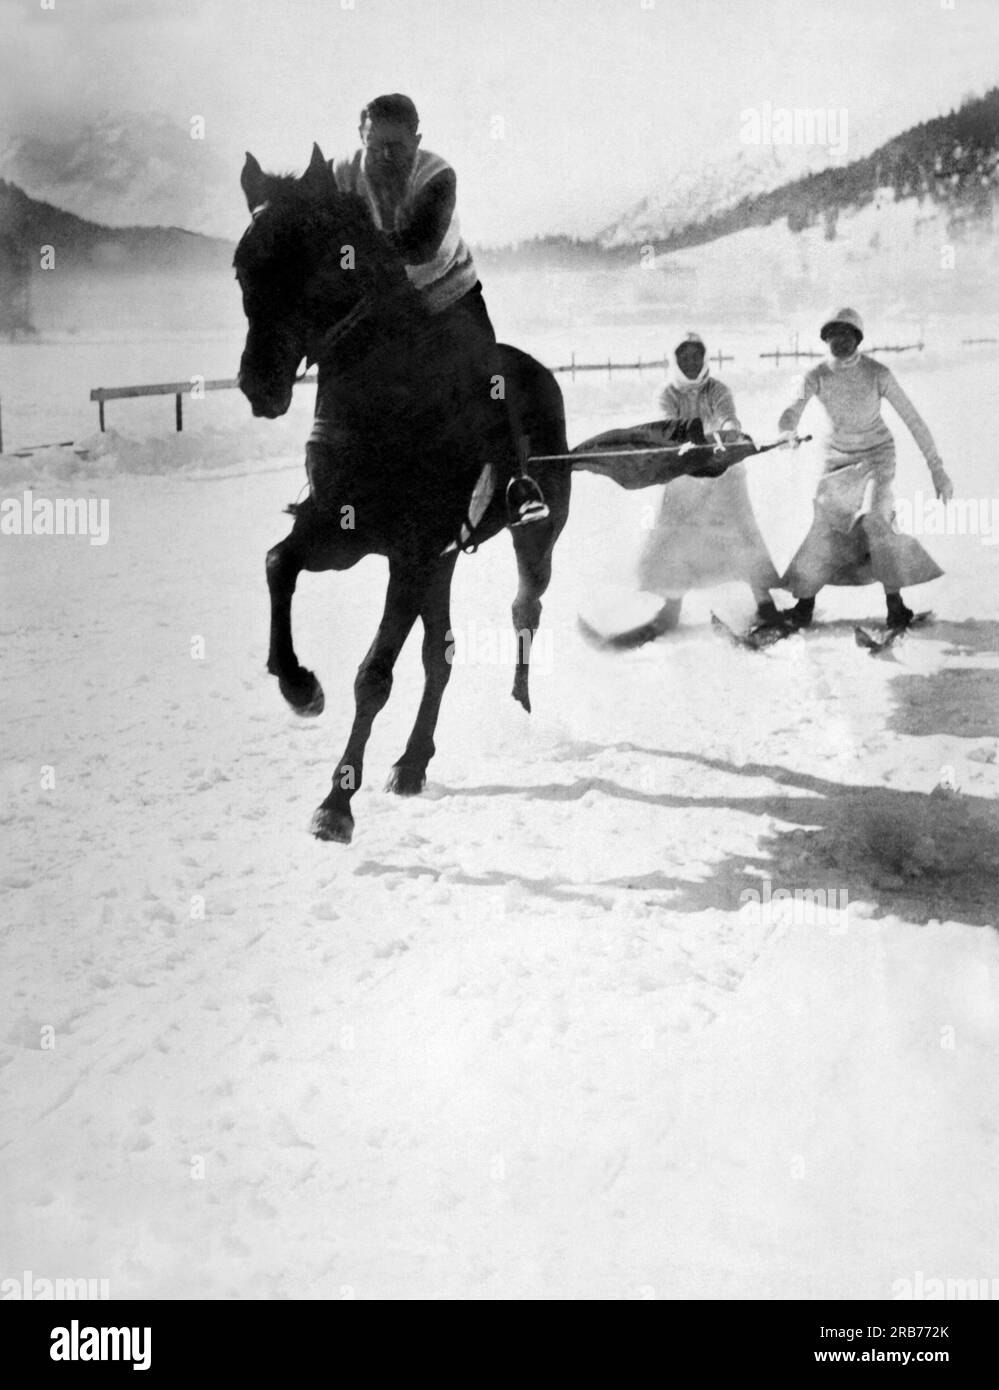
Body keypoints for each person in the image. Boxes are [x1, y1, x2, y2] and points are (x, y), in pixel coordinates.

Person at [330, 93, 546, 526]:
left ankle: (517, 481)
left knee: (490, 375)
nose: (386, 158)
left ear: (418, 141)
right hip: (381, 298)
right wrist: (345, 260)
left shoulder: (438, 175)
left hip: (448, 295)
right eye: (376, 147)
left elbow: (417, 244)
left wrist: (353, 251)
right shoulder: (340, 173)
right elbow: (336, 246)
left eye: (398, 149)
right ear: (360, 137)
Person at [777, 308, 953, 628]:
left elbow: (913, 419)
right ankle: (804, 605)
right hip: (837, 461)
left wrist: (936, 469)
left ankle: (895, 605)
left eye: (847, 334)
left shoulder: (878, 373)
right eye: (833, 334)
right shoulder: (817, 375)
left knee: (877, 520)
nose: (840, 341)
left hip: (877, 458)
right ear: (825, 338)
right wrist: (787, 431)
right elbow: (791, 410)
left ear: (858, 338)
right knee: (824, 525)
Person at [631, 332, 784, 632]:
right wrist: (685, 442)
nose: (691, 362)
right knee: (674, 538)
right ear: (674, 361)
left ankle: (766, 605)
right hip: (683, 476)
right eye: (684, 357)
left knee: (742, 533)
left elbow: (729, 418)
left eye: (696, 356)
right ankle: (671, 608)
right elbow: (667, 427)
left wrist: (730, 434)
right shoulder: (667, 394)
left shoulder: (718, 390)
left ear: (705, 359)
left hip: (723, 472)